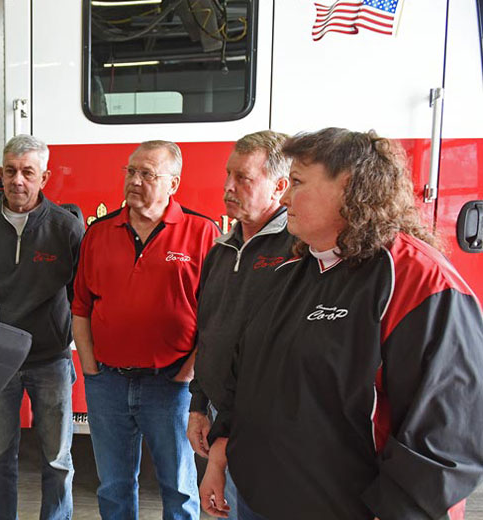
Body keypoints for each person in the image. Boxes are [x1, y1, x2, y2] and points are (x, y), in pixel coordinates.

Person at [200, 128, 483, 520]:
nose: (283, 197)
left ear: (349, 187)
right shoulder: (293, 271)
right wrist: (220, 451)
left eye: (296, 182)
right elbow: (250, 375)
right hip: (257, 499)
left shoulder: (418, 282)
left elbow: (447, 441)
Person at [72, 141, 218, 519]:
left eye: (147, 174)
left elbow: (215, 319)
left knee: (179, 488)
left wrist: (187, 374)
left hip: (170, 385)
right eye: (130, 172)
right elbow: (81, 307)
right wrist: (91, 371)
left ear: (174, 183)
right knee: (114, 486)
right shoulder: (98, 233)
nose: (135, 181)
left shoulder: (202, 233)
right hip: (108, 384)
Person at [0, 135, 84, 520]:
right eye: (11, 171)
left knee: (57, 459)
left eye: (27, 172)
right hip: (0, 362)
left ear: (44, 177)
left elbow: (81, 297)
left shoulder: (66, 229)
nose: (18, 180)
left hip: (50, 359)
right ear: (1, 173)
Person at [185, 131, 295, 518]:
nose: (229, 187)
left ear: (280, 187)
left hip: (262, 429)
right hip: (222, 417)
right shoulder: (221, 249)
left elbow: (268, 359)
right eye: (228, 175)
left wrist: (224, 437)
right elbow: (208, 331)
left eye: (244, 178)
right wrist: (198, 404)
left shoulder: (295, 253)